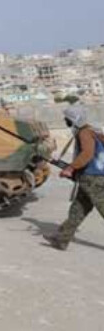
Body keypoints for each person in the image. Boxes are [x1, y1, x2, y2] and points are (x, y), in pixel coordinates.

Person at [44, 106, 104, 251]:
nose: (66, 121)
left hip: (93, 178)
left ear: (74, 119)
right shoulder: (91, 130)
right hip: (90, 177)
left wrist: (70, 168)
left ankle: (61, 239)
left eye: (67, 119)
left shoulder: (84, 132)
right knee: (78, 210)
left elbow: (87, 154)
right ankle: (61, 239)